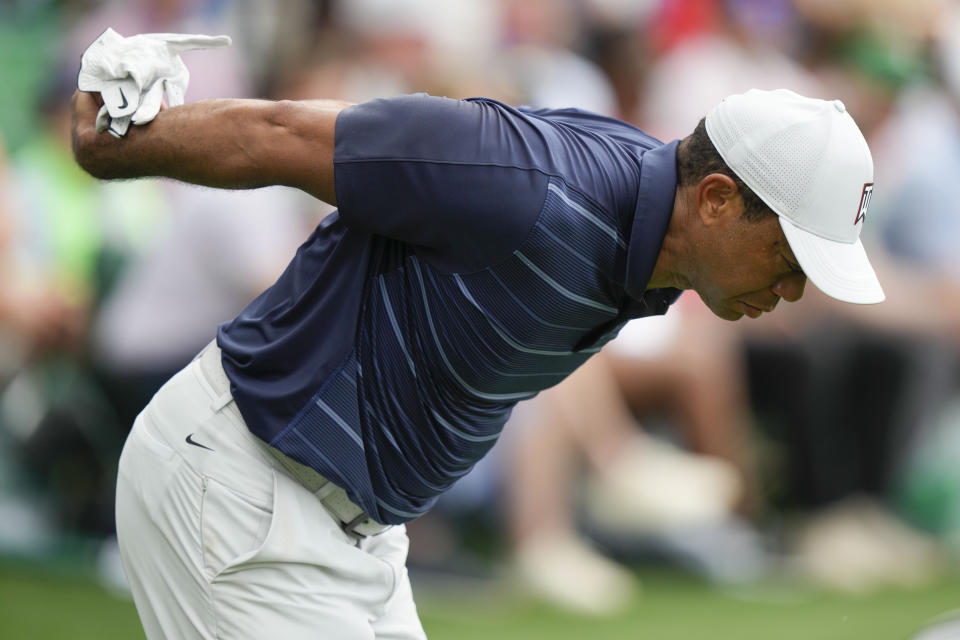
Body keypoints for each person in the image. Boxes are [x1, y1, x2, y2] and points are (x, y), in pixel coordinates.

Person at [70, 85, 882, 638]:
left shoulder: (663, 256)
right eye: (788, 256)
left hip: (355, 530)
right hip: (239, 486)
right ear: (715, 201)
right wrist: (108, 138)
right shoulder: (526, 180)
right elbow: (279, 134)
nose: (794, 290)